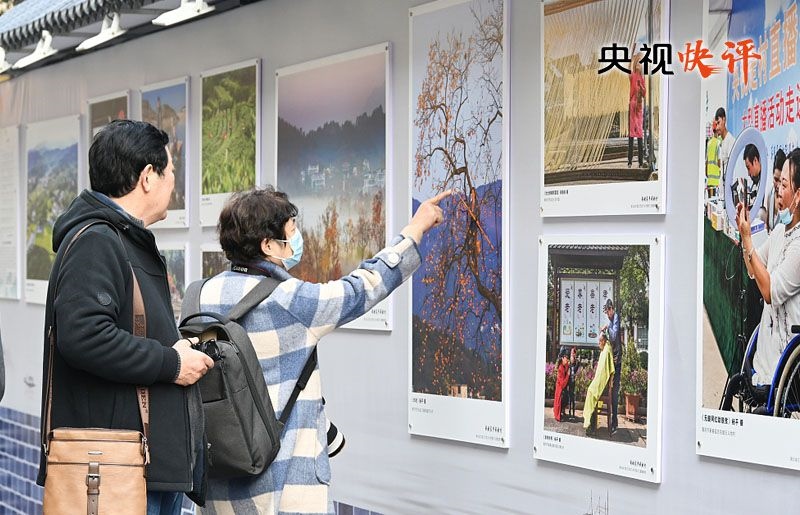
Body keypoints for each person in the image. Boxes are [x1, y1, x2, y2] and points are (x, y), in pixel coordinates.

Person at [197, 186, 448, 514]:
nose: (297, 239)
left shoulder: (201, 295)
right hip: (283, 486)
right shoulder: (288, 300)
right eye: (291, 232)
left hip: (219, 484)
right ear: (268, 245)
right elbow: (362, 288)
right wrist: (414, 230)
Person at [36, 120, 214, 514]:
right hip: (116, 470)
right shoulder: (98, 241)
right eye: (170, 171)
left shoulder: (119, 238)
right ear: (148, 177)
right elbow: (85, 336)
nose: (173, 182)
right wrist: (172, 363)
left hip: (137, 466)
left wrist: (175, 347)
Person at [722, 148, 800, 411]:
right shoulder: (780, 231)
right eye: (778, 183)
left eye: (784, 185)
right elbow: (754, 269)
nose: (777, 190)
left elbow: (769, 291)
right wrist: (745, 235)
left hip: (785, 358)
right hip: (766, 347)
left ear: (798, 195)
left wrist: (748, 240)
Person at [583, 331, 615, 436]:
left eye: (600, 341)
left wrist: (595, 383)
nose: (598, 344)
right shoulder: (605, 349)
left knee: (591, 393)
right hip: (602, 383)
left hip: (603, 386)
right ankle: (590, 424)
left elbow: (602, 373)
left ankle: (590, 425)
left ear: (604, 341)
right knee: (590, 392)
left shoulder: (606, 351)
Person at [600, 298, 622, 434]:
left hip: (616, 360)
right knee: (608, 389)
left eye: (608, 311)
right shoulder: (611, 320)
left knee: (614, 391)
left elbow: (613, 337)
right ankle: (611, 421)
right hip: (611, 360)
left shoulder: (616, 318)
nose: (607, 314)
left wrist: (607, 327)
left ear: (611, 309)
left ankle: (614, 422)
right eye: (606, 313)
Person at [628, 51, 646, 169]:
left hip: (639, 108)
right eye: (638, 62)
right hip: (632, 106)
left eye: (641, 62)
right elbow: (628, 69)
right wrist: (631, 57)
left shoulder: (642, 78)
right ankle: (629, 161)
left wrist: (642, 87)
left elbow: (644, 94)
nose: (639, 64)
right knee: (631, 134)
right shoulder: (633, 76)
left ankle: (640, 161)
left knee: (639, 134)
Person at [715, 107, 736, 200]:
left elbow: (732, 170)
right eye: (716, 124)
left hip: (729, 194)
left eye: (719, 123)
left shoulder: (730, 141)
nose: (717, 127)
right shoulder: (721, 142)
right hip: (722, 194)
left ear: (724, 120)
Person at [766, 149, 787, 231]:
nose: (778, 185)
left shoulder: (788, 199)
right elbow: (767, 226)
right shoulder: (770, 194)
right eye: (776, 179)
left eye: (781, 181)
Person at [706, 119, 722, 196]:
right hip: (715, 176)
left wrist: (706, 171)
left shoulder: (709, 143)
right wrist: (720, 170)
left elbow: (707, 160)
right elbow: (719, 161)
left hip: (709, 175)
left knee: (709, 198)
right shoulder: (718, 143)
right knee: (714, 199)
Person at [553, 351, 569, 422]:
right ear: (562, 358)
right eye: (566, 358)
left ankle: (561, 412)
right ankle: (558, 415)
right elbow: (562, 384)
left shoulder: (565, 365)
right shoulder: (560, 368)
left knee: (566, 399)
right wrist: (568, 375)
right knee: (559, 400)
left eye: (567, 358)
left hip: (563, 387)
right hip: (560, 387)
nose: (567, 360)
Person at [567, 347, 579, 419]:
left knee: (573, 398)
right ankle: (569, 413)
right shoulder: (568, 363)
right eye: (571, 353)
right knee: (569, 398)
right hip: (569, 382)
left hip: (573, 382)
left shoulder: (576, 363)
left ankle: (573, 414)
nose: (572, 354)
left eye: (573, 353)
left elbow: (577, 370)